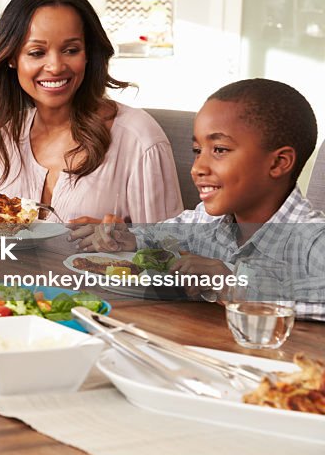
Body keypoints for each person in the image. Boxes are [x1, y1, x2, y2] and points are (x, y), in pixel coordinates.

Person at [0, 0, 183, 223]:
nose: (55, 66)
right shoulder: (4, 135)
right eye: (37, 52)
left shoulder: (139, 139)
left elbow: (172, 255)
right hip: (4, 285)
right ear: (12, 58)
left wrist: (126, 240)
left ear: (88, 54)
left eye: (71, 50)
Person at [69, 79, 325, 320]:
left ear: (279, 163)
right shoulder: (204, 221)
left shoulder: (313, 238)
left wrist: (233, 282)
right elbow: (158, 237)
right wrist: (128, 239)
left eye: (220, 150)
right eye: (197, 151)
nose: (197, 167)